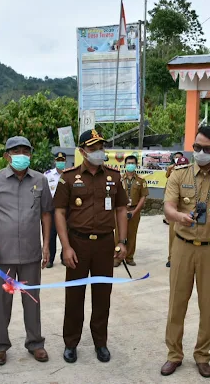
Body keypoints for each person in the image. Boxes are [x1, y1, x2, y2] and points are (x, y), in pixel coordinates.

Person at [160, 126, 210, 378]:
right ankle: (174, 354)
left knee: (208, 305)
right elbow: (168, 207)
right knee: (176, 304)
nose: (200, 152)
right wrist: (178, 217)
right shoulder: (179, 174)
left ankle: (202, 355)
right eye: (197, 147)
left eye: (206, 149)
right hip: (182, 246)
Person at [0, 136, 53, 366]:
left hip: (31, 254)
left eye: (26, 151)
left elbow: (46, 213)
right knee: (0, 303)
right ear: (6, 155)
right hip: (1, 256)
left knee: (32, 301)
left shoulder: (40, 180)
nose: (22, 155)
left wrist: (46, 244)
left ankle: (35, 343)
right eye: (16, 151)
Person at [53, 129, 128, 364]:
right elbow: (59, 212)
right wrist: (65, 247)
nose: (99, 152)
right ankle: (71, 343)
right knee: (74, 295)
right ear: (82, 151)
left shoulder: (114, 177)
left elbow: (121, 209)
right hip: (78, 243)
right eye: (93, 148)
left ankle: (100, 343)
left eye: (101, 147)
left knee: (102, 295)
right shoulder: (68, 177)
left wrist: (123, 242)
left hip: (105, 244)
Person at [116, 155, 148, 267]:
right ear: (125, 165)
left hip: (134, 210)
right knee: (118, 234)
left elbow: (143, 197)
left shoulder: (141, 180)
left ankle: (129, 257)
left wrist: (134, 211)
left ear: (136, 165)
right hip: (121, 210)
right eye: (128, 163)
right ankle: (117, 257)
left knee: (131, 234)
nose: (130, 165)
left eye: (132, 163)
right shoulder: (119, 179)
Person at [45, 151, 67, 268]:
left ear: (65, 161)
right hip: (52, 208)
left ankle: (64, 257)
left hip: (65, 209)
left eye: (62, 160)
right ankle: (50, 259)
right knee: (51, 234)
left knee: (66, 233)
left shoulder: (69, 174)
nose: (60, 163)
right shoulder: (48, 175)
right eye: (58, 161)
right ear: (55, 161)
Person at [165, 152, 184, 266]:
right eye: (176, 158)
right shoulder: (171, 172)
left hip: (185, 211)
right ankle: (171, 258)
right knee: (173, 235)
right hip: (174, 210)